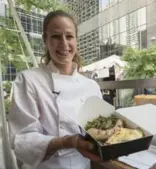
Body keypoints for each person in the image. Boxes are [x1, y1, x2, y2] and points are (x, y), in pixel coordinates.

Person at [9, 10, 102, 169]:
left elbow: (100, 131)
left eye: (69, 36)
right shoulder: (29, 80)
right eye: (56, 36)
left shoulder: (91, 86)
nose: (64, 44)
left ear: (76, 40)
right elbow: (22, 139)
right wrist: (66, 142)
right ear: (45, 40)